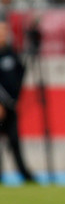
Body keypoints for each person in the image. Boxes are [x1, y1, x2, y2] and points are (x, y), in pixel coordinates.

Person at [0, 20, 36, 184]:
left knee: (14, 141)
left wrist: (15, 98)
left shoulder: (11, 54)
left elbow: (21, 74)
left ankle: (23, 173)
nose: (4, 35)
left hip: (11, 106)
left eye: (5, 31)